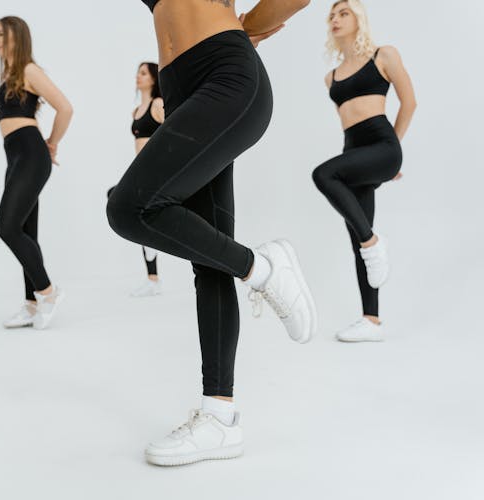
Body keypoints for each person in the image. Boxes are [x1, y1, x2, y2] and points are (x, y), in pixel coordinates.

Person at [106, 0, 314, 466]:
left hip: (226, 73)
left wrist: (248, 27)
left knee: (128, 207)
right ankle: (219, 418)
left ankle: (261, 268)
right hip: (182, 89)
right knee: (208, 258)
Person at [313, 0, 416, 342]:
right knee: (357, 235)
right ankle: (371, 321)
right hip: (353, 151)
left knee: (323, 175)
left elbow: (409, 101)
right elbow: (348, 122)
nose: (335, 18)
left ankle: (374, 242)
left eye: (343, 13)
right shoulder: (331, 77)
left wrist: (393, 153)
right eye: (332, 14)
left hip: (383, 146)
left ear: (358, 19)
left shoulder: (382, 55)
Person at [0, 16, 73, 330]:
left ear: (17, 36)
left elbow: (65, 107)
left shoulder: (28, 70)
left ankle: (48, 292)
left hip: (30, 153)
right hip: (15, 155)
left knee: (7, 226)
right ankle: (31, 304)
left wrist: (52, 142)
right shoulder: (10, 74)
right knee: (25, 230)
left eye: (1, 34)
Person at [108, 62, 166, 297]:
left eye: (143, 73)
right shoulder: (136, 111)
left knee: (128, 205)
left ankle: (151, 240)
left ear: (153, 78)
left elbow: (172, 133)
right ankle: (153, 279)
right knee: (116, 197)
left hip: (156, 170)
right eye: (137, 73)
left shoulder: (158, 104)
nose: (138, 77)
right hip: (139, 169)